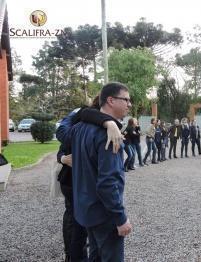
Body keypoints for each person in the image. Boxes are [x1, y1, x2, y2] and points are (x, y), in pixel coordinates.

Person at [68, 82, 132, 261]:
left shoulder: (79, 129)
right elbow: (107, 182)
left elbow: (68, 126)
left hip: (87, 210)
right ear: (111, 100)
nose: (129, 104)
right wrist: (120, 217)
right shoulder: (109, 135)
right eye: (125, 99)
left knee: (95, 257)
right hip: (104, 214)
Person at [56, 96, 123, 262]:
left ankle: (76, 255)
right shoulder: (84, 118)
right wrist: (62, 158)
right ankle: (73, 256)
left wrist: (110, 123)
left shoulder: (87, 120)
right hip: (74, 181)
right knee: (76, 225)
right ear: (108, 102)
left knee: (85, 227)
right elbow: (62, 137)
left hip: (81, 181)